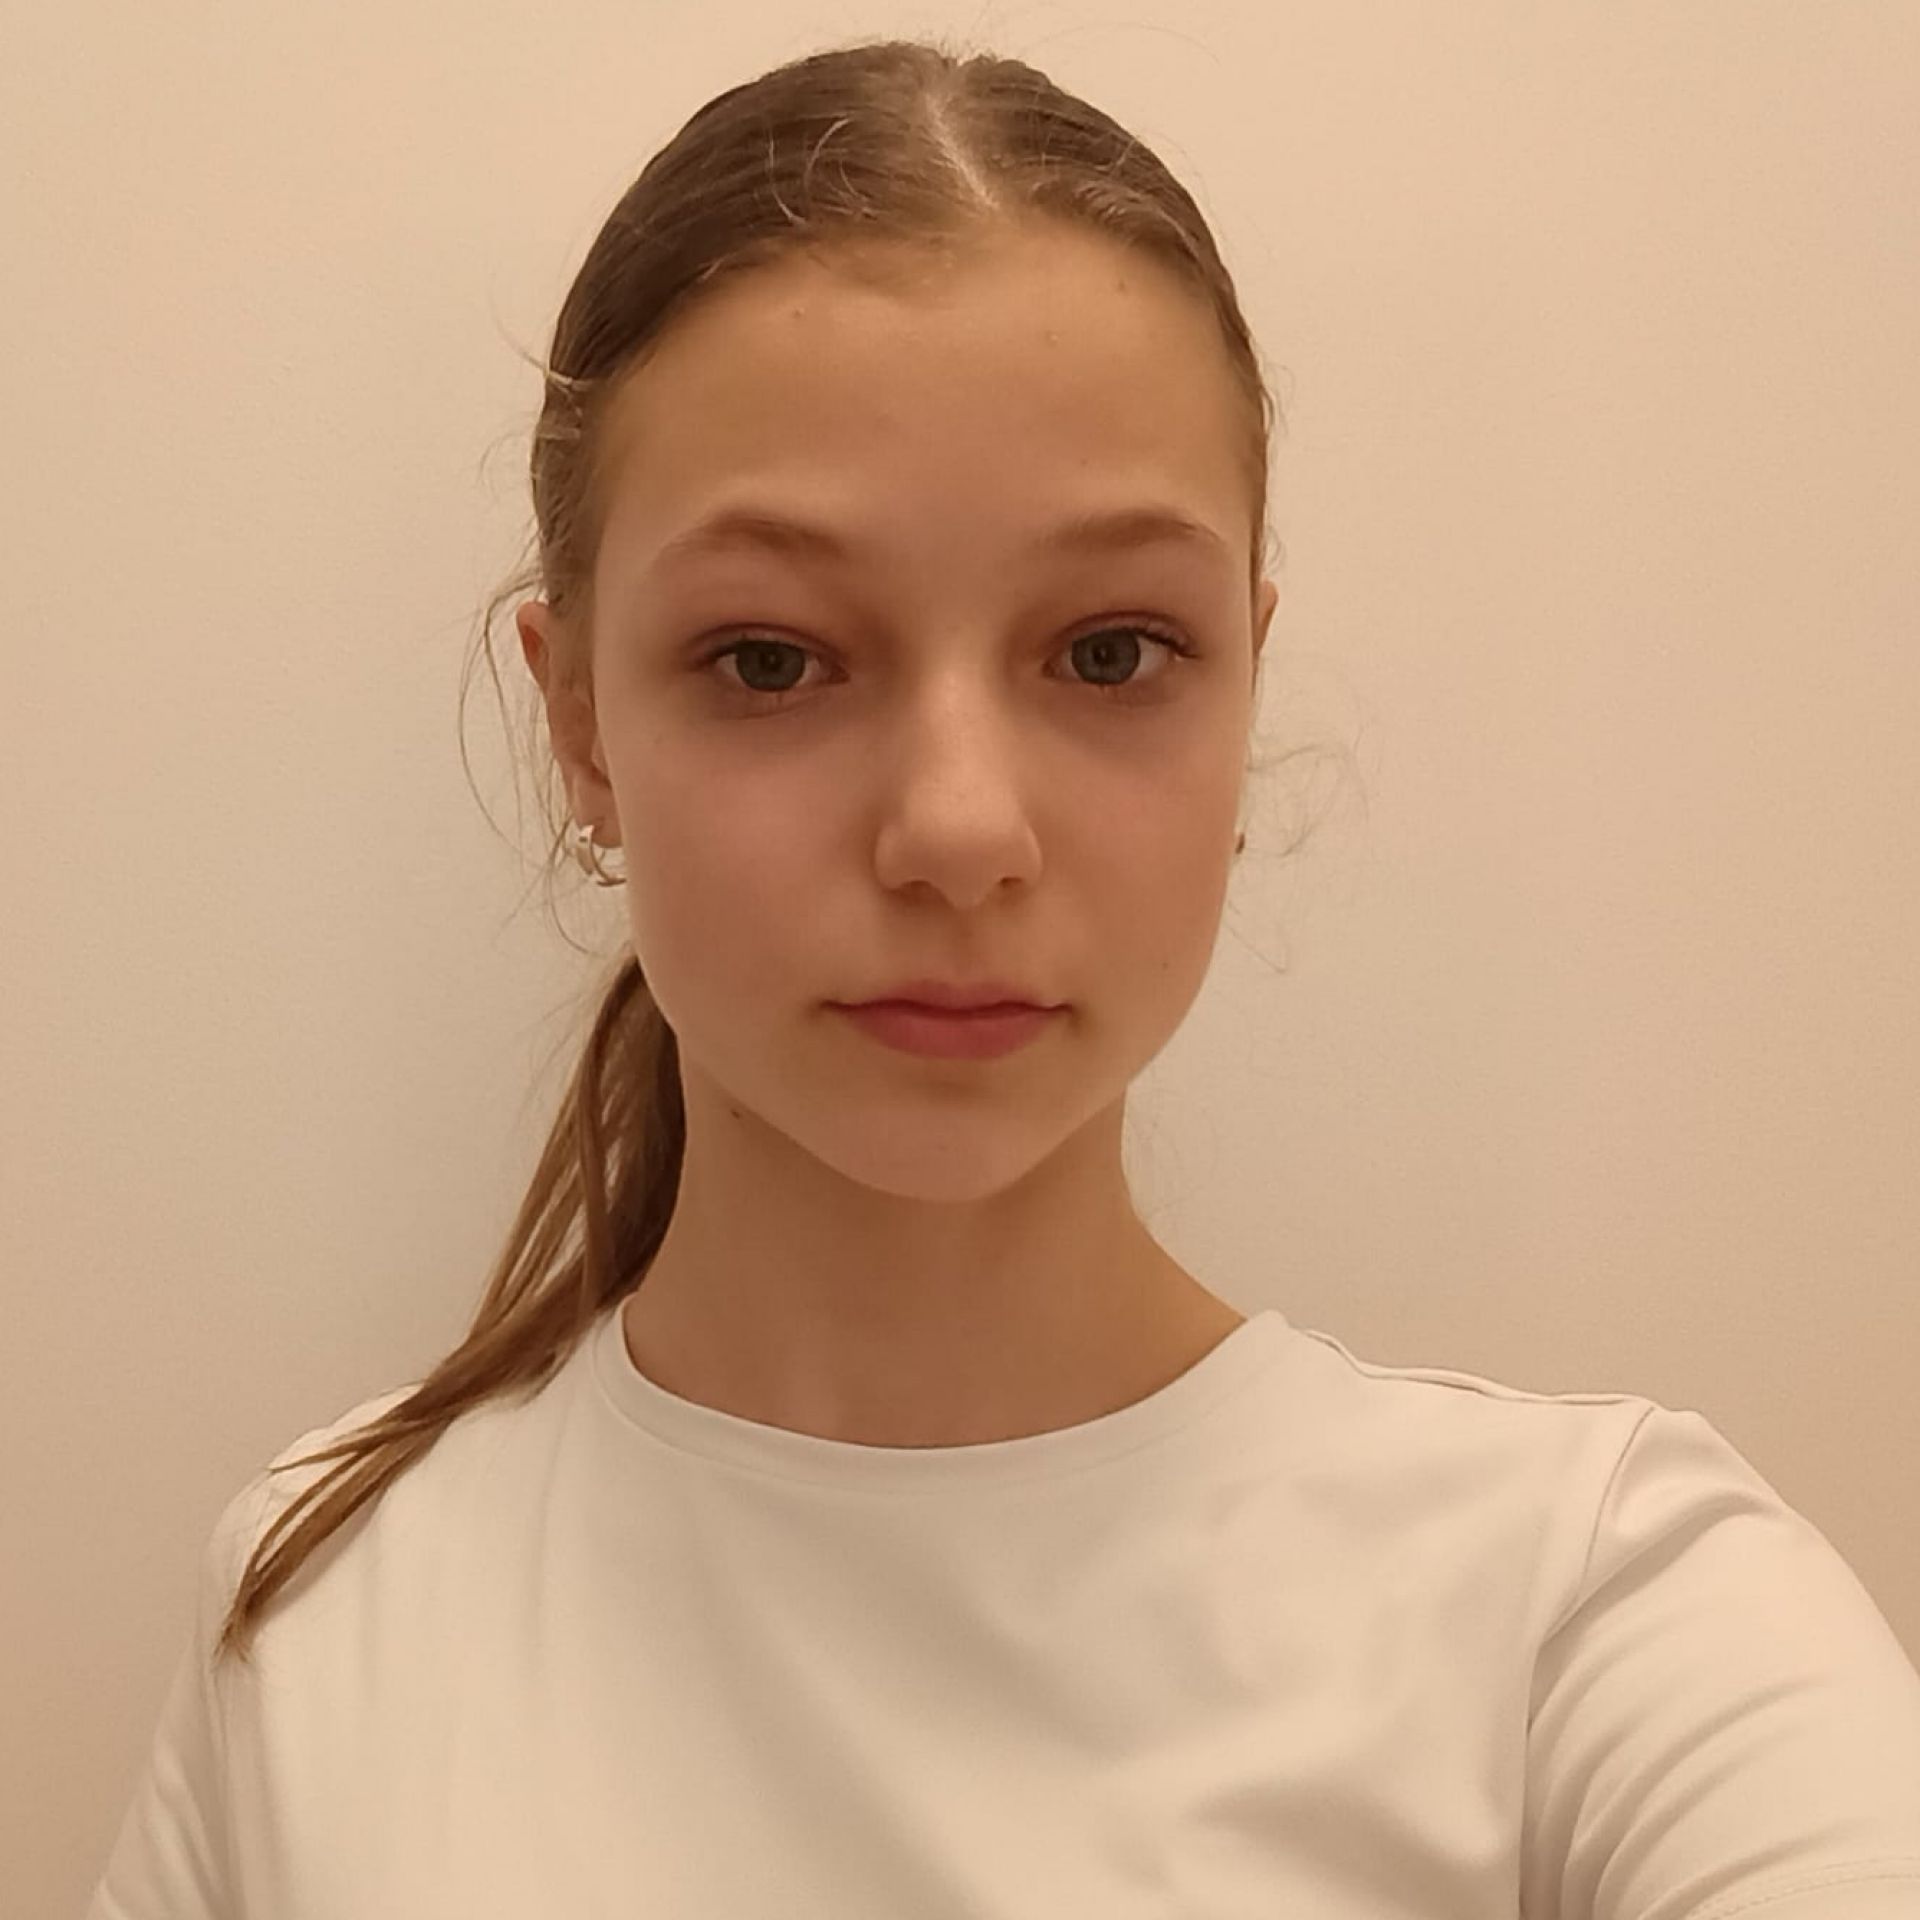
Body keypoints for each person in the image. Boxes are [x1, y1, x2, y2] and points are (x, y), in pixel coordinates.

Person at [90, 34, 1920, 1919]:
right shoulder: (320, 1630)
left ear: (1245, 684)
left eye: (1112, 653)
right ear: (582, 728)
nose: (959, 830)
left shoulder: (1596, 1619)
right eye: (772, 660)